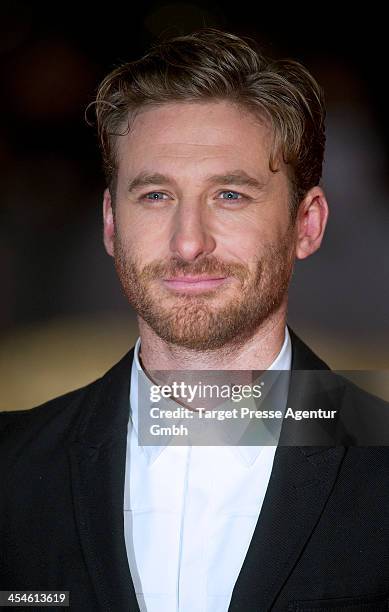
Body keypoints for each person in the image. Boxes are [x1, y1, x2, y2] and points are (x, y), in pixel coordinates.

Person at [1, 28, 389, 612]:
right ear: (111, 222)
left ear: (306, 224)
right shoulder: (11, 468)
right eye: (155, 195)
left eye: (230, 195)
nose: (188, 243)